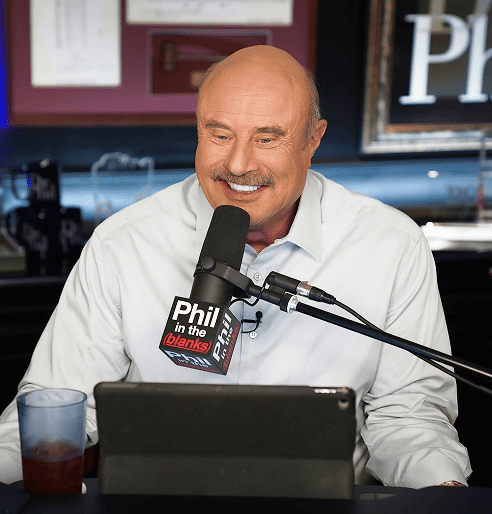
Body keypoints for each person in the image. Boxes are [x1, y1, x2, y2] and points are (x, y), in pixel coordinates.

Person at [0, 46, 471, 488]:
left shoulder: (390, 244)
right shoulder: (122, 244)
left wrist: (444, 490)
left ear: (312, 140)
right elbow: (55, 402)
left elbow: (408, 416)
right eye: (220, 135)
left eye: (267, 138)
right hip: (159, 501)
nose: (239, 164)